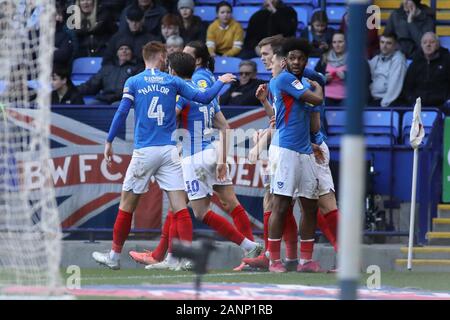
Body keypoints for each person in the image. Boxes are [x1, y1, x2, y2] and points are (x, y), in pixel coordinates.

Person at [91, 41, 236, 270]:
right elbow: (206, 97)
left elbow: (121, 112)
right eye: (165, 55)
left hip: (144, 151)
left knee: (127, 205)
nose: (167, 59)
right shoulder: (173, 81)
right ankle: (187, 258)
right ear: (159, 56)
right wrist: (221, 81)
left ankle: (114, 256)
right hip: (169, 151)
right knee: (179, 207)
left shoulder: (134, 81)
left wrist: (109, 140)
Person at [264, 38, 324, 273]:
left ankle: (305, 260)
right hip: (286, 150)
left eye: (301, 58)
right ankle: (274, 261)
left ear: (306, 60)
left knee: (310, 205)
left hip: (305, 150)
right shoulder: (285, 79)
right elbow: (317, 97)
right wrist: (317, 87)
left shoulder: (298, 84)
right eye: (292, 58)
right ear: (285, 61)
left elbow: (313, 123)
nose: (297, 61)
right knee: (281, 205)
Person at [402, 32, 450, 110]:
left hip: (442, 106)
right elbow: (407, 87)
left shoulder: (447, 61)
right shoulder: (415, 63)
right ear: (421, 45)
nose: (428, 45)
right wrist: (412, 101)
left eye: (432, 42)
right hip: (418, 106)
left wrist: (447, 100)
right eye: (425, 42)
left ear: (438, 44)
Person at [369, 33, 407, 107]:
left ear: (395, 45)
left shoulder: (398, 59)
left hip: (386, 102)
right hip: (372, 100)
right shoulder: (375, 59)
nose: (384, 46)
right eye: (382, 42)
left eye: (388, 43)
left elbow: (394, 86)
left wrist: (383, 105)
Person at [315, 32, 347, 106]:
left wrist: (346, 76)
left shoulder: (353, 59)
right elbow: (315, 77)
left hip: (347, 98)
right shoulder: (324, 58)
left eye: (340, 42)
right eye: (334, 42)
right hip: (326, 97)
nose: (337, 45)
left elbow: (360, 80)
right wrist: (324, 78)